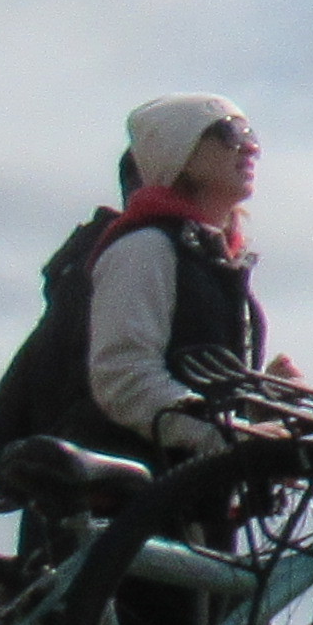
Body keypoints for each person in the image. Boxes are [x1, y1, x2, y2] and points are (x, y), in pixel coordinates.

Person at [84, 97, 272, 462]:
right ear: (179, 150)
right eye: (230, 132)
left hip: (196, 499)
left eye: (252, 134)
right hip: (141, 500)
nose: (251, 147)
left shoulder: (217, 262)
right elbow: (123, 378)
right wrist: (222, 434)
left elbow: (214, 391)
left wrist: (267, 402)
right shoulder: (145, 247)